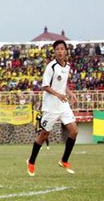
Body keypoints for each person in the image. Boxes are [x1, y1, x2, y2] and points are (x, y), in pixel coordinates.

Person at [27, 40, 78, 176]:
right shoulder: (51, 67)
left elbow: (63, 83)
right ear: (54, 52)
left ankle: (64, 160)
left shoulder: (67, 66)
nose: (60, 51)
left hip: (63, 104)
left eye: (62, 49)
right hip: (51, 106)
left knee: (74, 131)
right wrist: (58, 95)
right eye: (57, 49)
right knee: (44, 135)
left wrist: (70, 93)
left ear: (66, 51)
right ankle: (31, 161)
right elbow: (45, 86)